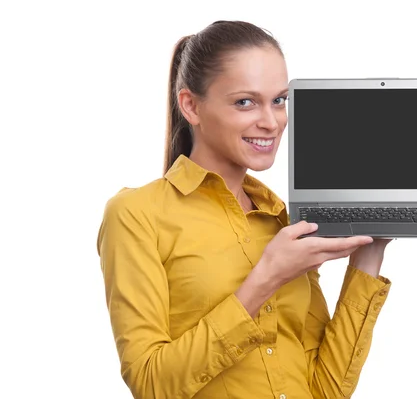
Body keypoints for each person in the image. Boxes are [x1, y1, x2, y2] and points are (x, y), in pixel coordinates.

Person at [97, 20, 393, 399]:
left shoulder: (281, 220)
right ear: (191, 105)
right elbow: (153, 385)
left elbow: (325, 390)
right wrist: (266, 278)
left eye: (279, 100)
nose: (271, 122)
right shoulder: (136, 214)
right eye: (245, 102)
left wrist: (369, 251)